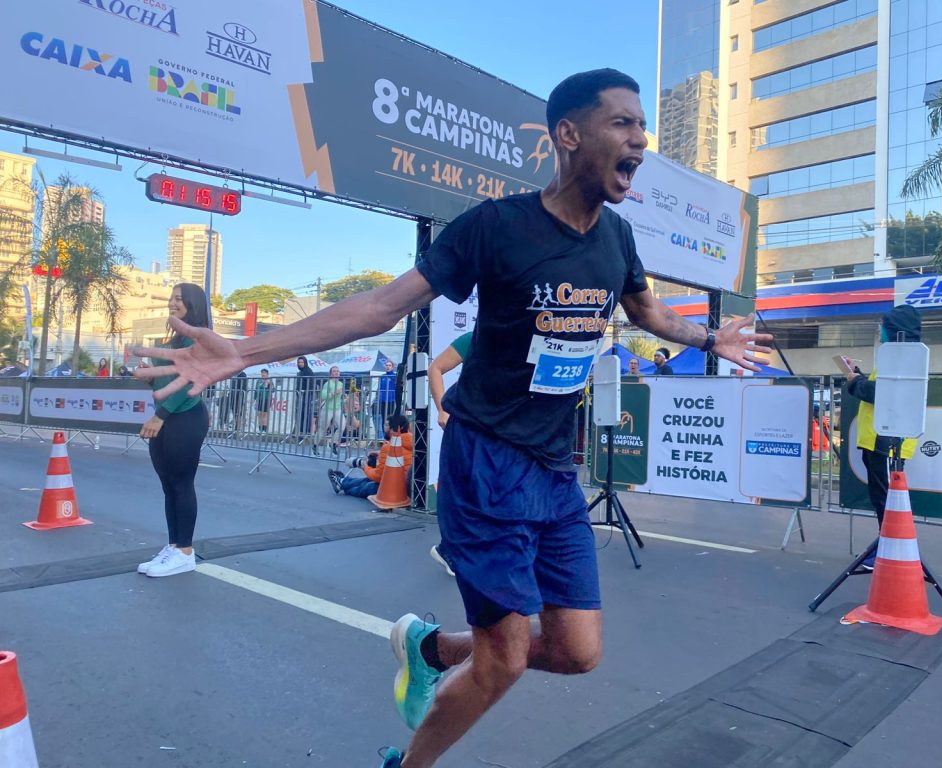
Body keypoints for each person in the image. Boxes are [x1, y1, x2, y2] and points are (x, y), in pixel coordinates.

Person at [133, 68, 771, 768]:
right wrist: (246, 351)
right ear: (568, 135)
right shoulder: (495, 228)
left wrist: (710, 338)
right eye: (622, 123)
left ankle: (429, 649)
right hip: (486, 461)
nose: (640, 140)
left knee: (577, 652)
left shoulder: (616, 239)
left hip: (557, 471)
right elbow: (380, 308)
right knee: (505, 662)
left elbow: (646, 310)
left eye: (640, 126)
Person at [134, 283, 210, 578]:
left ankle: (185, 552)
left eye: (179, 299)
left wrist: (160, 416)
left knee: (181, 482)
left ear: (192, 304)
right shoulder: (175, 338)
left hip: (185, 416)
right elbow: (167, 382)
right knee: (168, 485)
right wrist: (148, 378)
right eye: (172, 298)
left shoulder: (199, 339)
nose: (172, 303)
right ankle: (173, 546)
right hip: (166, 416)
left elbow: (190, 384)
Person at [845, 304, 921, 554]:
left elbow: (882, 394)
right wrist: (858, 375)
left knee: (888, 501)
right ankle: (886, 547)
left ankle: (889, 550)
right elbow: (879, 388)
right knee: (883, 500)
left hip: (887, 443)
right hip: (878, 441)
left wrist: (855, 383)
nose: (882, 333)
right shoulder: (896, 357)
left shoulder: (902, 359)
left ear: (895, 330)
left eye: (884, 327)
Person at [426, 332, 475, 576]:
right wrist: (442, 410)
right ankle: (450, 549)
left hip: (498, 426)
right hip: (465, 422)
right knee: (456, 485)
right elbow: (435, 368)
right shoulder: (474, 338)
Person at [333, 413, 413, 498]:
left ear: (395, 429)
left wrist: (365, 466)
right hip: (406, 486)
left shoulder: (389, 447)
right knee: (369, 482)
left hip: (394, 488)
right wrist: (379, 454)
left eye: (386, 425)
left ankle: (344, 486)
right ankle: (342, 482)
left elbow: (378, 476)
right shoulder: (412, 441)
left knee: (370, 486)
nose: (383, 427)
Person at [319, 365, 346, 455]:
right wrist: (334, 393)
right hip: (328, 408)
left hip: (337, 408)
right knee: (323, 428)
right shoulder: (327, 384)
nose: (336, 373)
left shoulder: (341, 384)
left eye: (338, 371)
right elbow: (323, 396)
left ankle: (333, 443)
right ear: (330, 374)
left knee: (342, 426)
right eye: (334, 371)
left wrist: (344, 397)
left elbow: (340, 397)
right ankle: (315, 445)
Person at [294, 355, 317, 441]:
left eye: (302, 362)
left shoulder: (308, 371)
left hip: (307, 395)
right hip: (301, 395)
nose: (300, 364)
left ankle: (305, 432)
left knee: (306, 413)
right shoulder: (300, 372)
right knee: (301, 413)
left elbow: (310, 384)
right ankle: (301, 431)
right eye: (299, 362)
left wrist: (305, 392)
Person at [377, 359, 397, 438]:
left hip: (391, 400)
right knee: (383, 418)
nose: (388, 367)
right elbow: (380, 388)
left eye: (389, 365)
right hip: (383, 400)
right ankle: (385, 436)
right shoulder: (382, 376)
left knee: (390, 418)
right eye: (387, 365)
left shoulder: (394, 376)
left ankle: (391, 435)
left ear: (392, 367)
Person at [253, 368, 274, 433]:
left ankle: (265, 429)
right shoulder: (258, 381)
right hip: (259, 399)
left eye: (264, 373)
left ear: (267, 374)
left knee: (264, 414)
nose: (263, 374)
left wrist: (268, 385)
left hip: (266, 399)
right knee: (259, 414)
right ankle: (260, 429)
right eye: (262, 373)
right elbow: (256, 390)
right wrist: (254, 399)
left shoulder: (270, 381)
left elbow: (273, 390)